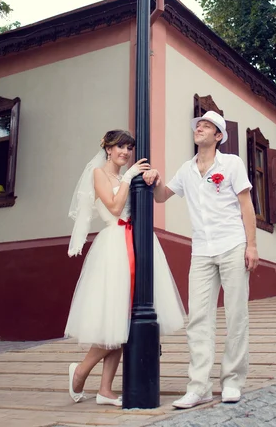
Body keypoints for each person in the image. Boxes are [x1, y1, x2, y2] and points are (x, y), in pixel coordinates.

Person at [143, 111, 259, 409]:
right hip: (202, 251)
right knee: (198, 318)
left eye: (206, 126)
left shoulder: (231, 164)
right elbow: (161, 197)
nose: (200, 129)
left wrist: (252, 246)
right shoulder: (186, 169)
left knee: (236, 314)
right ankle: (199, 387)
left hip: (233, 244)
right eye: (198, 126)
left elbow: (246, 207)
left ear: (218, 136)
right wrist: (153, 179)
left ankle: (232, 381)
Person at [65, 129, 185, 406]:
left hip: (136, 241)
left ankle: (105, 390)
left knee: (125, 321)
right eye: (121, 147)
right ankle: (81, 371)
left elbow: (149, 199)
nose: (126, 152)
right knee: (115, 319)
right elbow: (115, 208)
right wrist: (130, 177)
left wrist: (148, 178)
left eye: (129, 148)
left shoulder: (124, 177)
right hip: (115, 245)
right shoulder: (99, 174)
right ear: (108, 149)